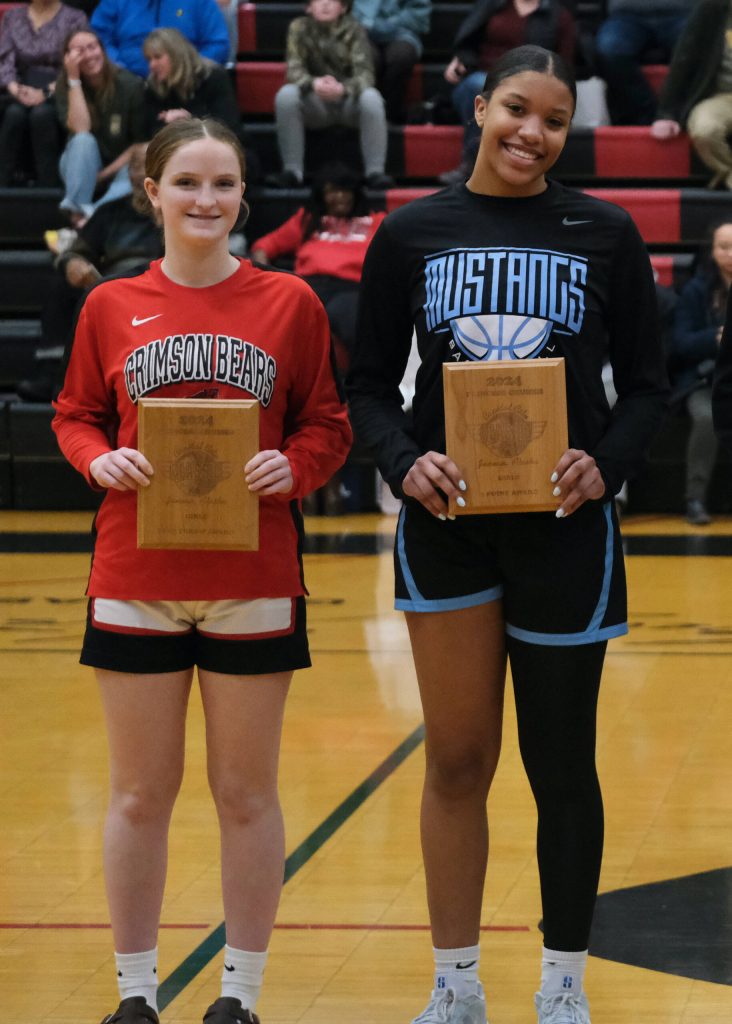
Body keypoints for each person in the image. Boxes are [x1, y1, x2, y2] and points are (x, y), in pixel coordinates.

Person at [347, 44, 669, 1024]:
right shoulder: (411, 234)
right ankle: (456, 986)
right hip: (448, 527)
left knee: (562, 764)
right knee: (455, 761)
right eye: (518, 110)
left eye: (555, 121)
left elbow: (650, 386)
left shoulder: (606, 232)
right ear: (479, 108)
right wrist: (405, 462)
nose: (533, 132)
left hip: (566, 531)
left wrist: (603, 464)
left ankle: (563, 986)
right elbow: (366, 386)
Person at [51, 116, 352, 1024]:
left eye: (224, 184)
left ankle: (239, 997)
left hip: (253, 574)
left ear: (243, 198)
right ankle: (136, 994)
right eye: (187, 183)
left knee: (245, 792)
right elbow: (74, 414)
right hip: (136, 572)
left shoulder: (291, 304)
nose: (207, 200)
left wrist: (291, 468)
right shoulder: (108, 304)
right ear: (151, 193)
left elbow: (327, 427)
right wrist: (96, 460)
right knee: (140, 793)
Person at [251, 161, 385, 361]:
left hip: (351, 288)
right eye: (332, 191)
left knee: (352, 318)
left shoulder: (377, 221)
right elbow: (264, 246)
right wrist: (267, 275)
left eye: (345, 191)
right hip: (308, 286)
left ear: (355, 193)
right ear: (321, 194)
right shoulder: (307, 220)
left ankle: (364, 385)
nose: (339, 197)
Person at [438, 0, 575, 184]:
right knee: (481, 87)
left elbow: (564, 64)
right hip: (482, 77)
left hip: (532, 86)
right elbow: (467, 41)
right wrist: (460, 60)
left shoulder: (558, 15)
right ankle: (473, 162)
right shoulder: (492, 5)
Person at [267, 0, 394, 189]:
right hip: (315, 102)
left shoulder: (355, 29)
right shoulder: (298, 27)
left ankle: (375, 172)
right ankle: (292, 171)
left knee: (372, 97)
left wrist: (343, 88)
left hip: (348, 103)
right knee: (286, 95)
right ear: (308, 6)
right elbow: (293, 70)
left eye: (332, 0)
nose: (325, 3)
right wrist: (314, 83)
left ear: (343, 7)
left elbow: (366, 75)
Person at [668, 221, 732, 524]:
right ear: (712, 251)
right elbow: (680, 343)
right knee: (708, 418)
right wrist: (715, 338)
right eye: (724, 247)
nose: (730, 253)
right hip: (706, 381)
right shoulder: (696, 290)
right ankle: (695, 499)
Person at [55, 29, 147, 226]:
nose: (88, 55)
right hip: (79, 164)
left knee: (139, 167)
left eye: (92, 47)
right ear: (68, 58)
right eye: (79, 51)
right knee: (82, 140)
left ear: (102, 50)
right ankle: (78, 214)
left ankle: (86, 220)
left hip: (121, 165)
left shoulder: (129, 84)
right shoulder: (66, 85)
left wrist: (104, 175)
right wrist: (74, 80)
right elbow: (81, 128)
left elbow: (138, 145)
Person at [0, 0, 87, 186]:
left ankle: (49, 189)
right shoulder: (13, 17)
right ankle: (4, 186)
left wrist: (46, 91)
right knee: (14, 115)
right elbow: (5, 60)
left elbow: (78, 64)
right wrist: (16, 89)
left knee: (42, 116)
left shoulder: (75, 18)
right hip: (20, 89)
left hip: (59, 89)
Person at [650, 0, 732, 189]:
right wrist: (667, 112)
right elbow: (685, 57)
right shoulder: (714, 8)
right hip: (721, 97)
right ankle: (728, 173)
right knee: (705, 130)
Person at [595, 0, 691, 126]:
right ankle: (650, 115)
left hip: (682, 14)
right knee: (610, 49)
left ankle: (680, 112)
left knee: (698, 46)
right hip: (626, 15)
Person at [143, 27, 242, 138]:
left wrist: (190, 120)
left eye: (157, 57)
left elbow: (228, 129)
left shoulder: (213, 77)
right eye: (149, 59)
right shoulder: (154, 88)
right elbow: (151, 133)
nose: (152, 65)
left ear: (176, 55)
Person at [90, 0, 230, 79]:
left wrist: (187, 70)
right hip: (128, 83)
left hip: (186, 83)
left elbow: (218, 45)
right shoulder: (114, 2)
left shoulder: (200, 3)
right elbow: (98, 38)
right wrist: (119, 69)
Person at [351, 0, 431, 123]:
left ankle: (392, 114)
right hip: (362, 33)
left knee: (401, 56)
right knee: (366, 55)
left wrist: (383, 26)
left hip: (402, 32)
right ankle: (365, 114)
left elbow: (418, 12)